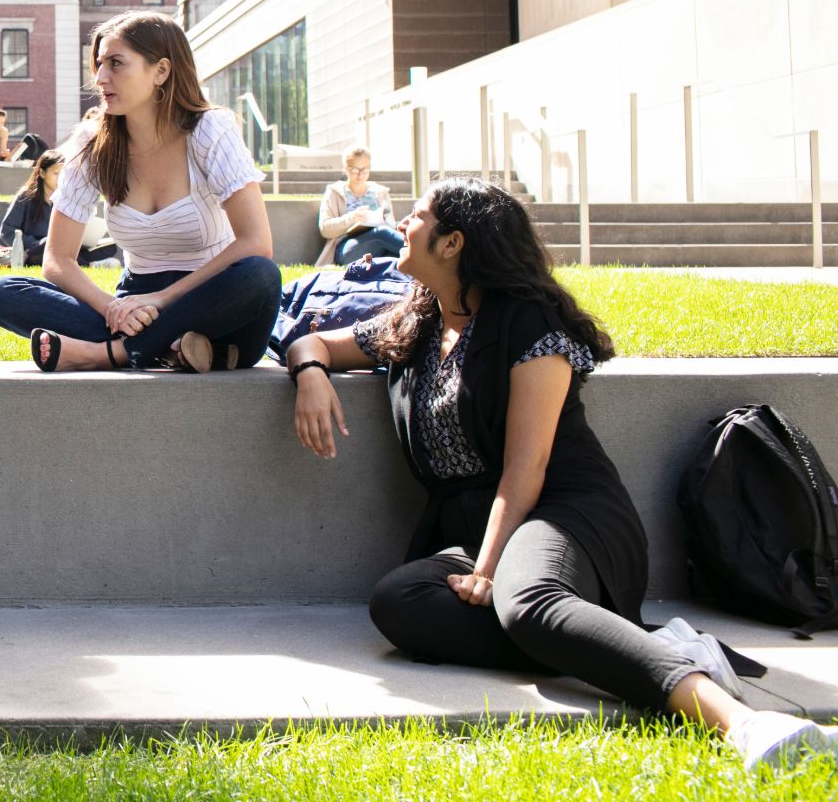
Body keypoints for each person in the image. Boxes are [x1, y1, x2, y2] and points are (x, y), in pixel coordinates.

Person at [285, 177, 838, 774]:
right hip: (477, 526)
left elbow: (528, 468)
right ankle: (627, 645)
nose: (402, 226)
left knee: (525, 604)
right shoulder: (420, 321)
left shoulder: (530, 326)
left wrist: (490, 568)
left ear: (452, 243)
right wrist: (312, 373)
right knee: (399, 602)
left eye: (416, 216)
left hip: (567, 513)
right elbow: (311, 342)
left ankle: (743, 723)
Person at [0, 10, 281, 373]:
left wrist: (161, 301)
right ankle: (185, 351)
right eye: (98, 64)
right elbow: (57, 260)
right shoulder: (92, 142)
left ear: (161, 71)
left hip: (214, 297)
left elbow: (256, 243)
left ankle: (110, 354)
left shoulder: (210, 130)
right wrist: (113, 308)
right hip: (132, 304)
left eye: (115, 63)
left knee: (260, 276)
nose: (100, 77)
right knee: (3, 293)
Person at [318, 146, 402, 265]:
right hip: (347, 248)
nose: (360, 174)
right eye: (355, 169)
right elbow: (325, 229)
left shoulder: (380, 192)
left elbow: (391, 224)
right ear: (346, 169)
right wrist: (352, 218)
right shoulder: (334, 192)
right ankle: (423, 253)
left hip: (380, 245)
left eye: (365, 169)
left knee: (388, 239)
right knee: (381, 233)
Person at [0, 149, 66, 263]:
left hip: (61, 249)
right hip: (34, 250)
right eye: (56, 173)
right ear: (42, 173)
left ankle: (91, 262)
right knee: (47, 245)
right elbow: (7, 231)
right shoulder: (25, 197)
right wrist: (33, 243)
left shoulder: (65, 199)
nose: (60, 178)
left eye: (63, 174)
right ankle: (89, 263)